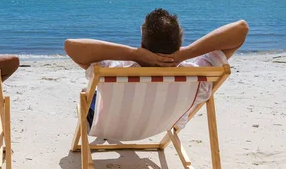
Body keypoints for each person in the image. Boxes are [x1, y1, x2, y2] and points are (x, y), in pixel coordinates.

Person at [64, 9, 249, 129]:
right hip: (165, 123)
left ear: (142, 42)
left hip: (111, 125)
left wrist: (134, 54)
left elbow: (71, 46)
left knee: (87, 93)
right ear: (180, 41)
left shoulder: (116, 70)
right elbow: (241, 29)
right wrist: (185, 54)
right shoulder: (196, 74)